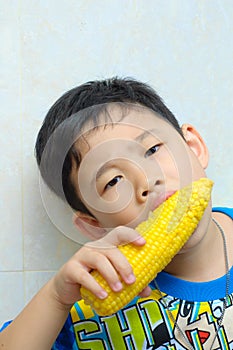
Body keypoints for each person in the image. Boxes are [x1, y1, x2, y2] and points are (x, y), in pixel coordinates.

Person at [0, 77, 232, 350]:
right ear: (94, 225)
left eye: (152, 149)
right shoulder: (82, 310)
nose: (147, 181)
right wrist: (55, 298)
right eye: (113, 181)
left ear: (194, 148)